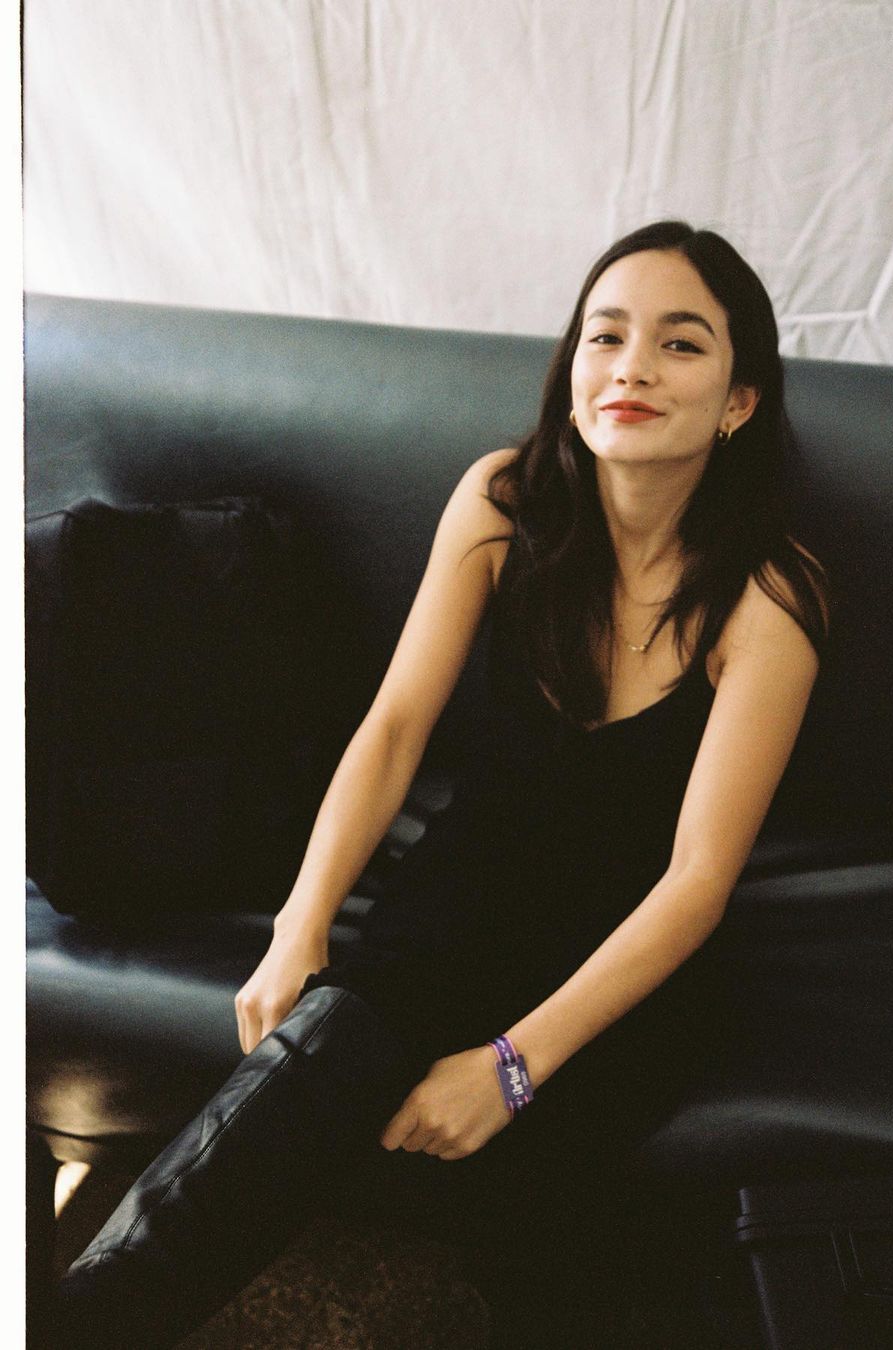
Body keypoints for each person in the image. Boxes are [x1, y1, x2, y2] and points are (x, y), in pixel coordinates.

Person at [41, 220, 829, 1348]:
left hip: (625, 965)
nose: (633, 368)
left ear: (739, 402)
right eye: (605, 336)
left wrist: (512, 1068)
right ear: (571, 372)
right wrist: (300, 926)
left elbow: (697, 881)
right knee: (282, 1100)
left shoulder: (770, 597)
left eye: (681, 344)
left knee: (552, 1252)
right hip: (459, 904)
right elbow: (396, 726)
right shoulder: (504, 501)